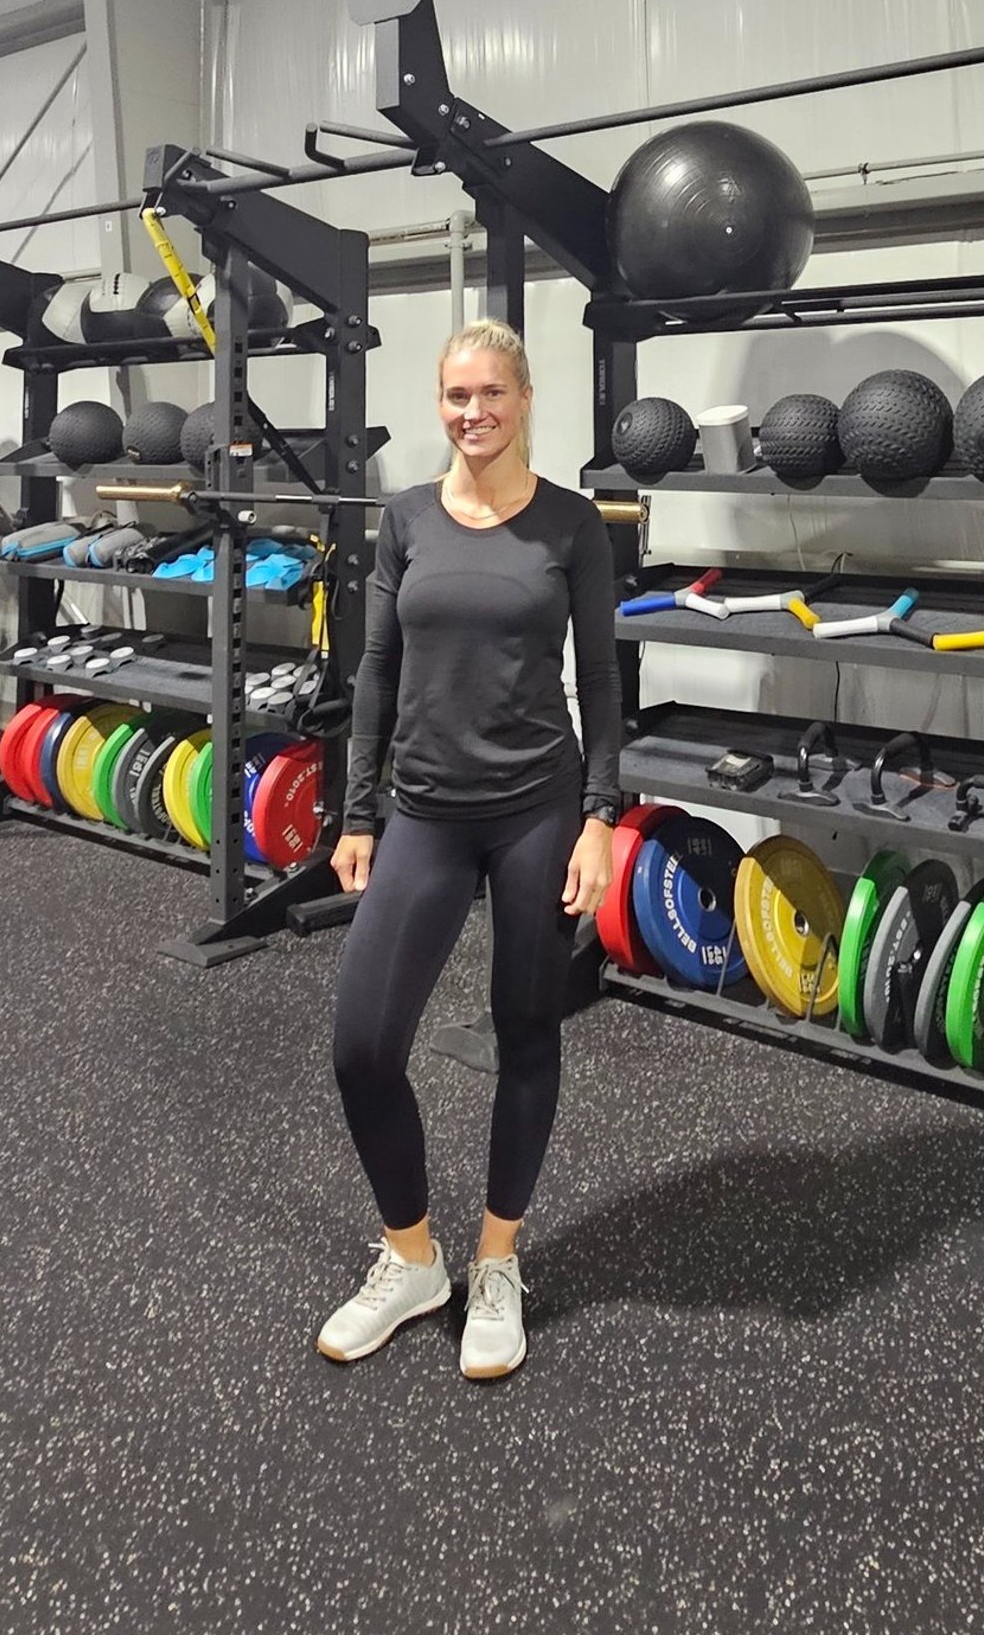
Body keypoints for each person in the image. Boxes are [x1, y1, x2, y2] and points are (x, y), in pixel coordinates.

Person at [318, 318, 620, 1379]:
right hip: (426, 812)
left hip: (539, 806)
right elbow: (375, 672)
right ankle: (413, 1261)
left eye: (490, 392)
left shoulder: (574, 526)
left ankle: (497, 1260)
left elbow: (604, 680)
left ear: (525, 396)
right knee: (363, 1045)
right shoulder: (404, 521)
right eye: (455, 395)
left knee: (524, 1032)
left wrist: (600, 815)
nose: (472, 412)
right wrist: (358, 812)